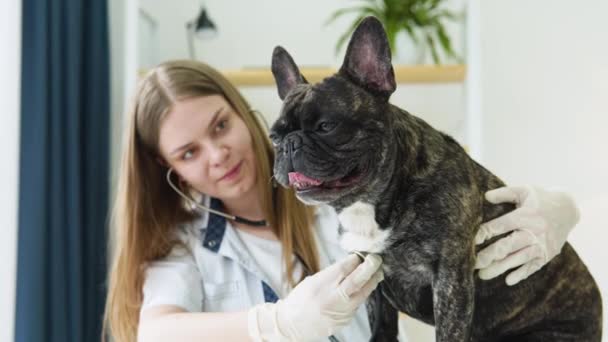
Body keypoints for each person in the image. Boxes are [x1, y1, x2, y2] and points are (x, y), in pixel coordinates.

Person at [103, 60, 581, 342]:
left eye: (220, 126)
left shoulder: (346, 195)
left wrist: (561, 206)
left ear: (244, 113)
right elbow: (158, 331)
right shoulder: (182, 246)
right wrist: (276, 323)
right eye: (189, 152)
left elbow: (446, 187)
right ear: (169, 171)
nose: (217, 153)